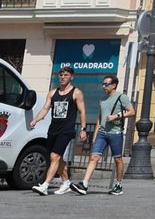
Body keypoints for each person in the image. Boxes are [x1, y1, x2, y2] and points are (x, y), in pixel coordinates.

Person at [73, 74, 134, 195]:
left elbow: (132, 111)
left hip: (115, 133)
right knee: (94, 157)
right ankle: (84, 184)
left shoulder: (121, 97)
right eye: (103, 84)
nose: (104, 86)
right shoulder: (103, 100)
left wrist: (116, 116)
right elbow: (100, 118)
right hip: (102, 133)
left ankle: (118, 184)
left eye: (106, 84)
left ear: (114, 85)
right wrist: (95, 134)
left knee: (118, 160)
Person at [29, 67, 86, 196]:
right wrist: (35, 120)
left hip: (66, 130)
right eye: (60, 75)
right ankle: (66, 183)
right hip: (53, 129)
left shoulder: (76, 93)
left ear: (72, 77)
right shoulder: (52, 93)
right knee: (57, 158)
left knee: (55, 156)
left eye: (66, 75)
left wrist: (83, 129)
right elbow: (45, 109)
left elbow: (82, 111)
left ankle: (45, 185)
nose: (62, 77)